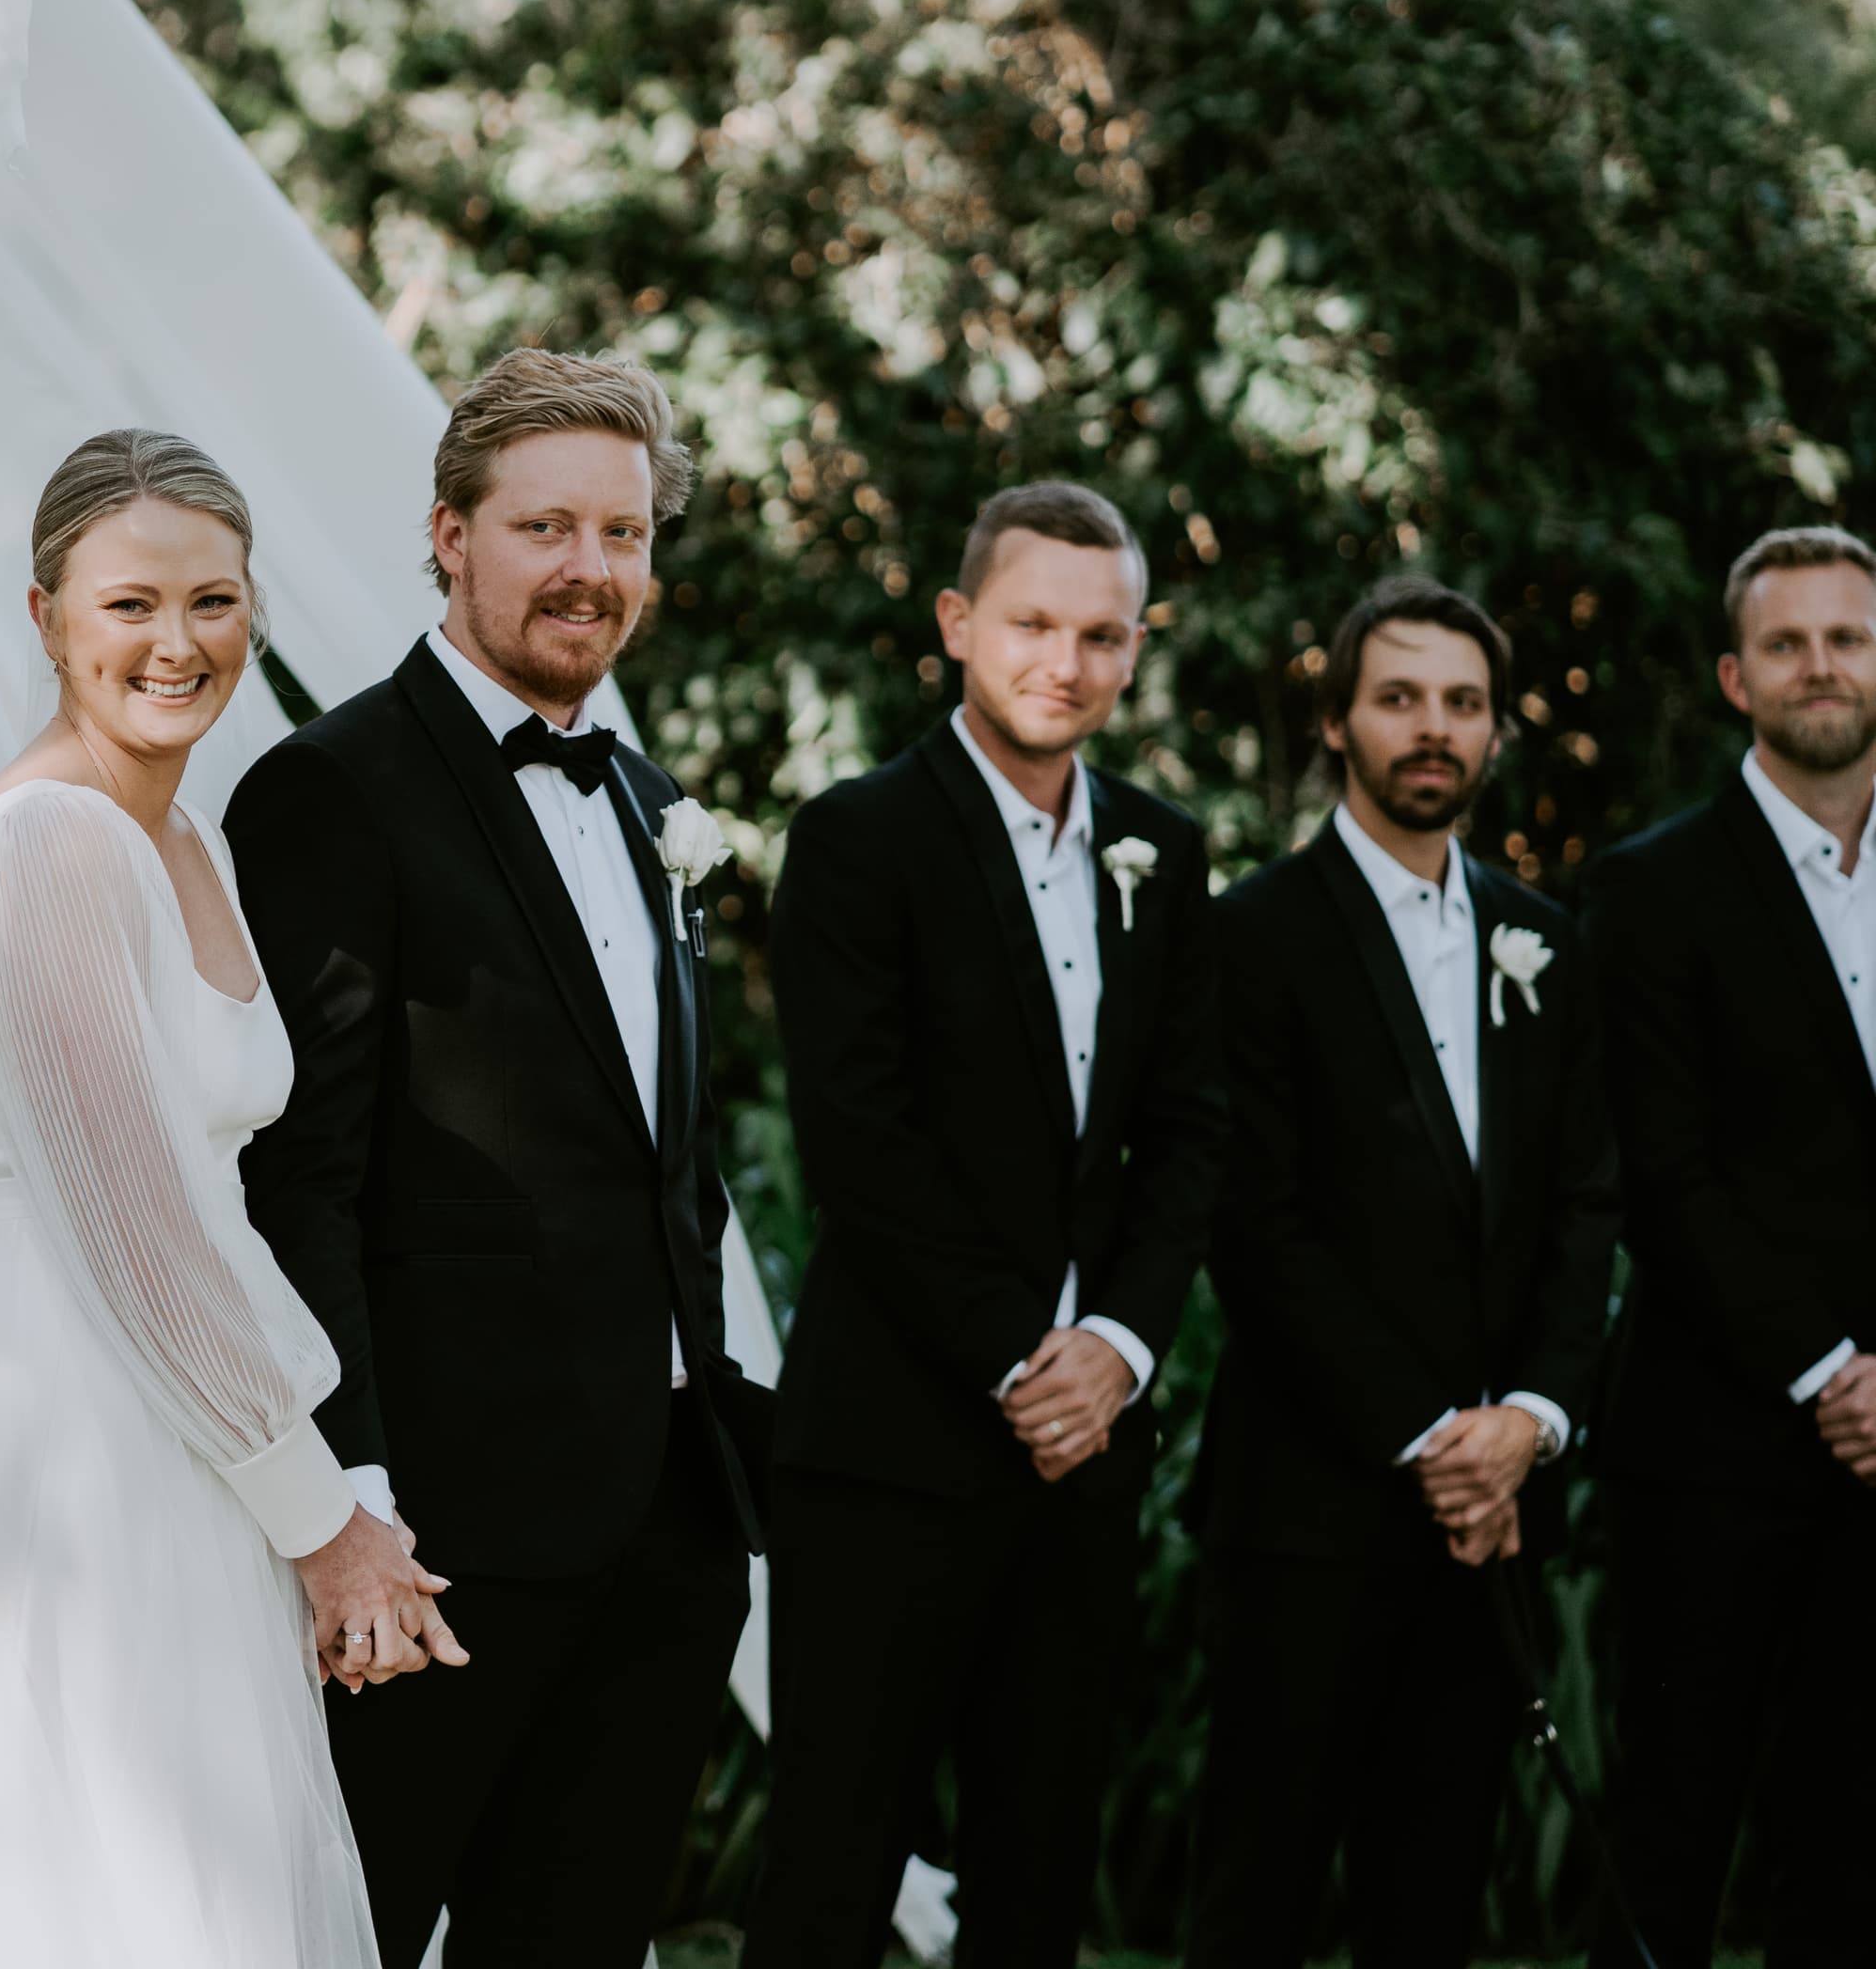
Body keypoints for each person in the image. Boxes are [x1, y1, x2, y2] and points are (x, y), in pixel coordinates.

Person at [0, 430, 446, 1969]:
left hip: (176, 1423)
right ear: (44, 614)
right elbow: (136, 1239)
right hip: (49, 1438)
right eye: (130, 603)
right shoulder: (49, 852)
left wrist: (318, 1478)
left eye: (211, 600)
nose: (176, 643)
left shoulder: (181, 833)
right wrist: (319, 1519)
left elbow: (210, 1206)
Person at [227, 349, 767, 1969]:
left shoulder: (650, 797)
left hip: (662, 1533)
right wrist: (355, 1508)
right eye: (545, 528)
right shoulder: (331, 790)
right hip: (439, 1543)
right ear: (449, 536)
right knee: (359, 1935)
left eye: (623, 533)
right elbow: (295, 1178)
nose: (590, 571)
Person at [746, 480, 1229, 1969]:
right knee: (833, 1865)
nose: (1064, 663)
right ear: (960, 624)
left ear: (1135, 648)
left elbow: (1194, 1132)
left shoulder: (1165, 852)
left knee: (1040, 1868)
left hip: (1083, 1452)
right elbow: (862, 1145)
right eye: (1032, 623)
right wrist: (1029, 1361)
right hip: (894, 1441)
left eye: (1101, 634)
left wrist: (1123, 1349)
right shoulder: (857, 839)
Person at [1184, 578, 1619, 1969]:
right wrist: (1435, 1439)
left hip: (1486, 1522)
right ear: (1339, 722)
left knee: (1429, 1904)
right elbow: (1254, 1225)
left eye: (1463, 703)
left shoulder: (1545, 940)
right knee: (1255, 1893)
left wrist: (1530, 1426)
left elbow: (1584, 1205)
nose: (1433, 729)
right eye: (1399, 698)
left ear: (1494, 732)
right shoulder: (1252, 933)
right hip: (1308, 1511)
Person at [1583, 525, 1876, 1969]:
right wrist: (1832, 1372)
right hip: (1716, 1441)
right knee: (1675, 1835)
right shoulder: (1653, 888)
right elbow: (1663, 1174)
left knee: (1857, 1841)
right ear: (1734, 674)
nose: (1822, 665)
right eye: (1788, 642)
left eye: (1848, 637)